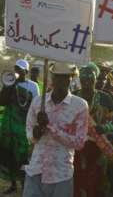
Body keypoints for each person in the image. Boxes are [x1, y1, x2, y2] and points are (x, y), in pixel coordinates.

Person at [23, 62, 89, 197]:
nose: (60, 80)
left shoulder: (80, 106)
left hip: (61, 175)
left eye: (65, 77)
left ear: (72, 77)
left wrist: (50, 127)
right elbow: (30, 134)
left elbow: (79, 143)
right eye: (57, 76)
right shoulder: (38, 102)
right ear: (52, 77)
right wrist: (36, 133)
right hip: (35, 170)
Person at [0, 59, 40, 195]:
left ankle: (24, 185)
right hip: (9, 126)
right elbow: (2, 102)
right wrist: (8, 86)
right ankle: (12, 184)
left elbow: (36, 106)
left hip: (23, 127)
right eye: (16, 69)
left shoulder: (33, 86)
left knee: (22, 157)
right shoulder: (9, 83)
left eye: (21, 70)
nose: (18, 72)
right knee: (9, 155)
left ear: (27, 72)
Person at [73, 62, 113, 197]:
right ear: (79, 79)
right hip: (75, 149)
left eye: (90, 77)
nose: (87, 80)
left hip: (99, 148)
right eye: (83, 77)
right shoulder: (72, 97)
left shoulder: (105, 98)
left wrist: (105, 127)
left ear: (95, 78)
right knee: (77, 182)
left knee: (96, 184)